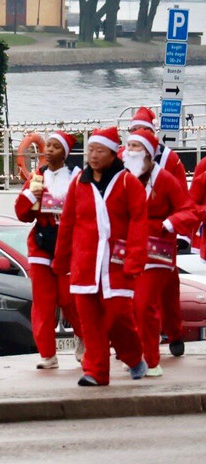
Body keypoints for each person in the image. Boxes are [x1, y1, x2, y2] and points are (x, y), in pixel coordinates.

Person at [52, 126, 148, 386]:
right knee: (90, 322)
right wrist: (60, 259)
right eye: (91, 150)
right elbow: (68, 223)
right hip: (84, 264)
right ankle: (95, 372)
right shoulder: (78, 184)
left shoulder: (128, 183)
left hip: (117, 264)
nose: (93, 156)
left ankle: (133, 356)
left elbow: (139, 222)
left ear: (113, 153)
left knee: (118, 316)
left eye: (100, 151)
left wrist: (135, 258)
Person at [124, 129, 197, 377]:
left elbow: (188, 209)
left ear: (147, 152)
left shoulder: (165, 179)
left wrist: (169, 224)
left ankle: (151, 359)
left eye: (135, 146)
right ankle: (137, 352)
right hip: (129, 248)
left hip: (158, 249)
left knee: (146, 303)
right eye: (128, 144)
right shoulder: (123, 177)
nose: (129, 150)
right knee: (131, 303)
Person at [14, 131, 83, 370]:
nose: (49, 150)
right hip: (42, 244)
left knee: (68, 298)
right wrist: (29, 196)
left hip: (69, 246)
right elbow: (23, 214)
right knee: (43, 302)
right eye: (48, 146)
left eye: (55, 146)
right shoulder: (37, 177)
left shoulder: (77, 177)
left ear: (65, 152)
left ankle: (83, 337)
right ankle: (47, 353)